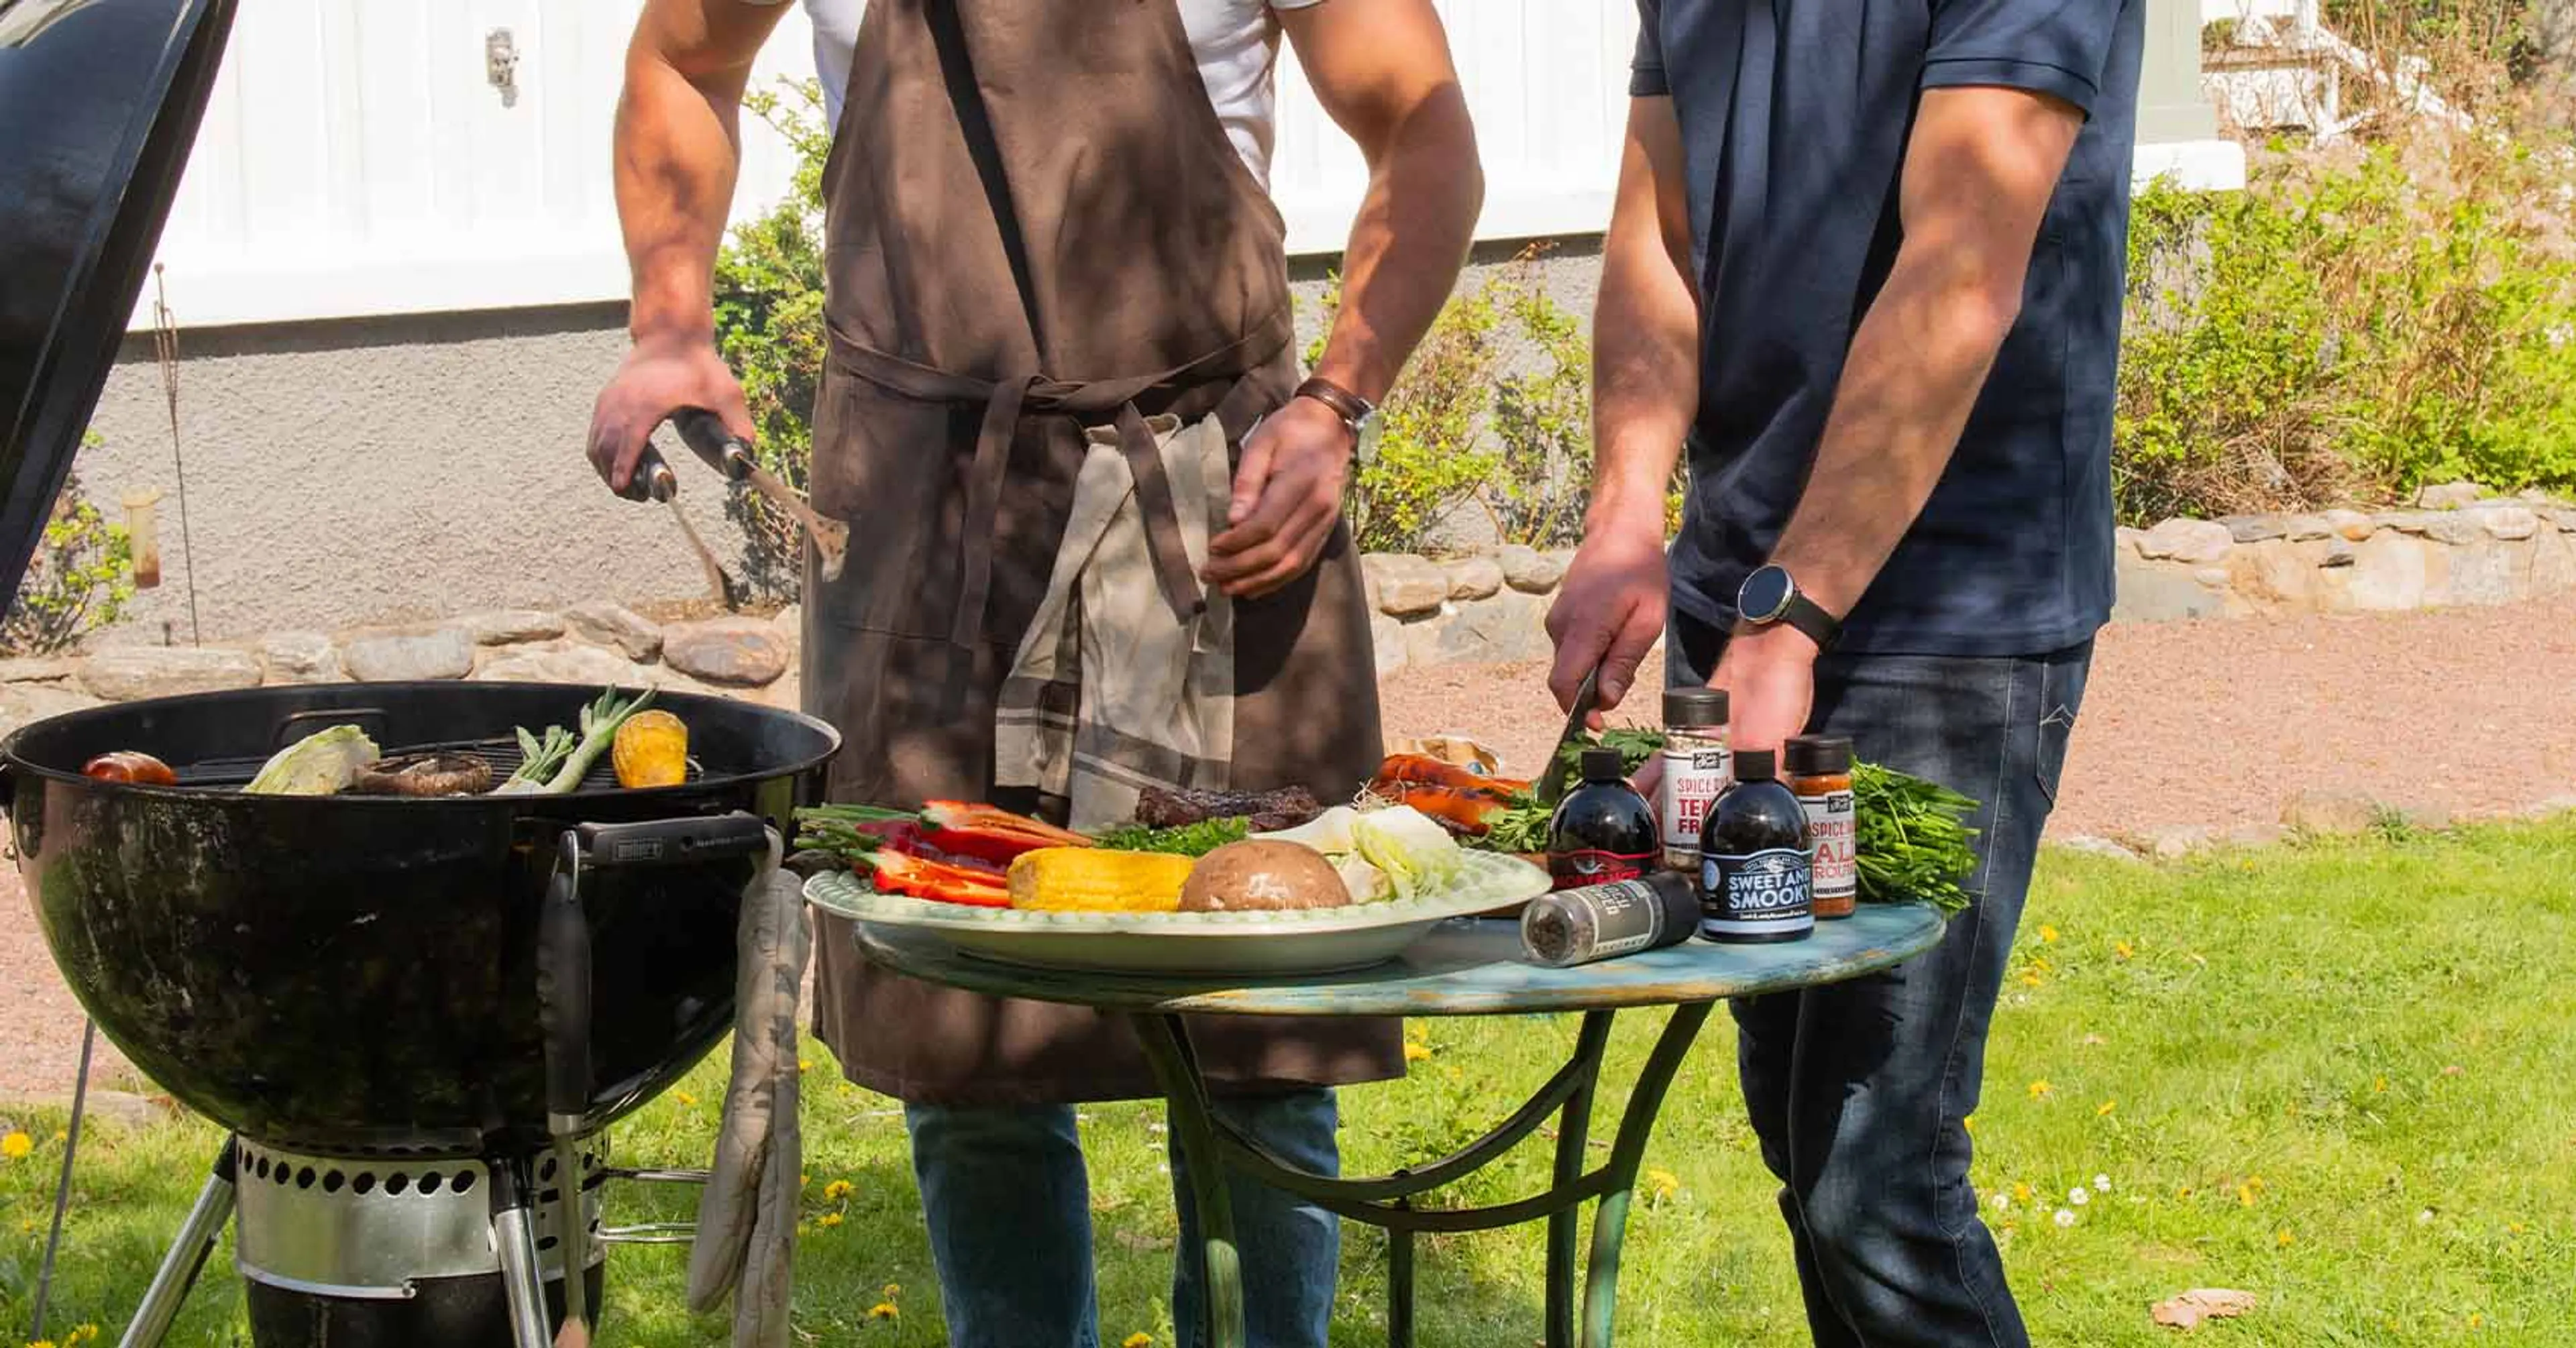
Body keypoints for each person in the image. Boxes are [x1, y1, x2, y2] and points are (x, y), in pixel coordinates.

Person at [588, 2, 1483, 1345]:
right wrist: (668, 318)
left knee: (1258, 1031)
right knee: (969, 1038)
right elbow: (680, 59)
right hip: (930, 497)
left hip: (1210, 490)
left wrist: (1337, 402)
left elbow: (1423, 125)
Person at [1545, 2, 2141, 1343]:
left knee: (1879, 1175)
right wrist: (1628, 514)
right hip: (1751, 605)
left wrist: (1785, 625)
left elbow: (1963, 264)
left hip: (1950, 612)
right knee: (1802, 1140)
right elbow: (1657, 233)